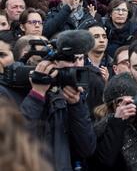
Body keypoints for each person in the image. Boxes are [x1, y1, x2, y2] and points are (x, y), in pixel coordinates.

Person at [20, 30, 97, 171]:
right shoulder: (26, 89)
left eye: (80, 58)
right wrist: (37, 94)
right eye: (70, 59)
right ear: (52, 62)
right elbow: (14, 143)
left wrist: (76, 106)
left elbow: (86, 149)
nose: (76, 65)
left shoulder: (77, 95)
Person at [90, 72, 137, 171]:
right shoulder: (101, 127)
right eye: (120, 102)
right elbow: (106, 162)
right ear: (110, 105)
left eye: (131, 101)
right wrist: (117, 122)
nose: (126, 106)